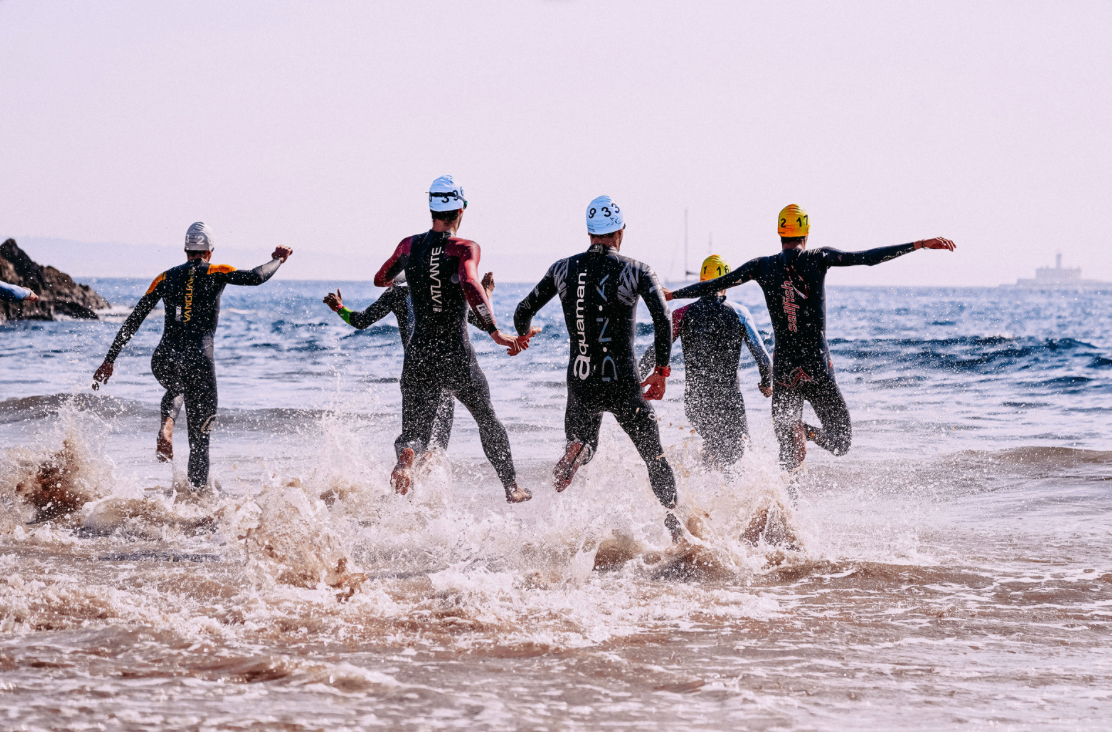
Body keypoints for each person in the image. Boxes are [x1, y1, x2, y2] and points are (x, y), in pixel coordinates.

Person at [666, 204, 955, 470]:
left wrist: (673, 294)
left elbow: (719, 283)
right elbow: (867, 258)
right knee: (841, 441)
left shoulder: (761, 266)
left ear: (780, 232)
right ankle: (807, 431)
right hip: (817, 367)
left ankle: (781, 514)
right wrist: (918, 245)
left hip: (784, 373)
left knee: (787, 460)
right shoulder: (819, 258)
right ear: (806, 231)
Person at [513, 195, 684, 542]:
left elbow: (522, 309)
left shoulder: (562, 269)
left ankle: (578, 451)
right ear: (619, 232)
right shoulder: (637, 269)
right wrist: (662, 370)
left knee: (585, 444)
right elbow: (663, 320)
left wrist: (523, 333)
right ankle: (679, 528)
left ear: (590, 233)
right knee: (655, 457)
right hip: (623, 381)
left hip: (581, 379)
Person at [92, 222, 292, 492]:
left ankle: (167, 424)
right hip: (199, 358)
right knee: (200, 441)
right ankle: (197, 500)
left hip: (163, 356)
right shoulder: (217, 271)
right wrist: (278, 259)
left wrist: (110, 359)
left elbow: (134, 319)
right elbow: (256, 277)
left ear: (186, 249)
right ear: (209, 251)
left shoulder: (164, 277)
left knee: (177, 386)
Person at [373, 175, 535, 503]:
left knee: (415, 430)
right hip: (455, 353)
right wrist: (495, 332)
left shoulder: (408, 246)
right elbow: (470, 284)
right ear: (461, 210)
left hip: (418, 354)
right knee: (486, 418)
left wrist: (417, 274)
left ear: (431, 208)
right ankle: (511, 488)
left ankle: (405, 459)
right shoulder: (464, 248)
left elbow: (380, 279)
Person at [322, 272, 497, 454]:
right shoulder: (446, 289)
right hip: (448, 365)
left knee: (412, 436)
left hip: (416, 369)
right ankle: (432, 460)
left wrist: (339, 308)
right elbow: (485, 323)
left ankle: (407, 459)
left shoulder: (395, 294)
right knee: (438, 442)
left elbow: (360, 321)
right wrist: (486, 292)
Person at [640, 254, 772, 469]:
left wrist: (638, 380)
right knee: (738, 455)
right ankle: (720, 498)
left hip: (695, 401)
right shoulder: (740, 313)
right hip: (728, 400)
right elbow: (764, 359)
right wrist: (766, 383)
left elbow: (654, 352)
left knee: (714, 447)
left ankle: (698, 494)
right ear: (728, 283)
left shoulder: (682, 314)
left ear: (701, 281)